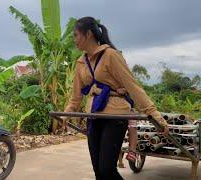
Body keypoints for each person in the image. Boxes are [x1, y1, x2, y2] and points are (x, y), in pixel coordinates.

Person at [63, 17, 169, 180]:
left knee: (107, 169)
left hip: (115, 115)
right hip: (94, 116)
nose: (74, 40)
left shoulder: (111, 55)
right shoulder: (81, 62)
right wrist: (68, 112)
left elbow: (133, 87)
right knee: (99, 171)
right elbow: (76, 97)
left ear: (88, 34)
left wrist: (155, 115)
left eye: (76, 35)